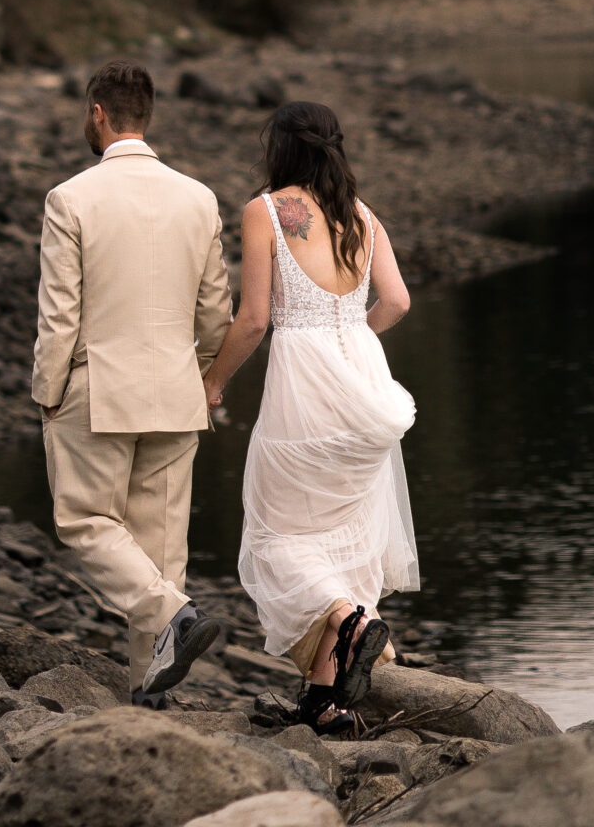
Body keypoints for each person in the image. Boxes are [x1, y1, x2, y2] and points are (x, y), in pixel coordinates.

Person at [204, 99, 417, 734]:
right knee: (344, 538)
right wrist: (353, 337)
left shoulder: (267, 211)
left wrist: (211, 381)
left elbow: (254, 320)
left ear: (282, 148)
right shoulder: (363, 217)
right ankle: (327, 702)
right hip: (367, 391)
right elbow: (398, 301)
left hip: (304, 390)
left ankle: (351, 620)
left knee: (278, 535)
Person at [32, 58, 234, 704]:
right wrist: (198, 368)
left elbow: (59, 314)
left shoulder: (70, 198)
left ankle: (173, 618)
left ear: (97, 114)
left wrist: (46, 391)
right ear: (147, 116)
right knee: (160, 544)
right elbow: (216, 315)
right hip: (177, 391)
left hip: (100, 390)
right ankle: (150, 689)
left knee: (87, 521)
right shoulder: (198, 198)